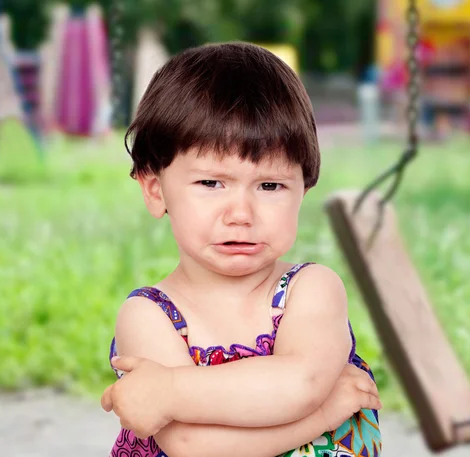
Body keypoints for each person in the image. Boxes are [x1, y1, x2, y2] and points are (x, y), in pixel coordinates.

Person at [100, 41, 383, 457]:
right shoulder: (147, 316)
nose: (241, 214)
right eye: (211, 183)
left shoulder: (312, 290)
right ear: (156, 190)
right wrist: (327, 414)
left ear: (303, 189)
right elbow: (190, 445)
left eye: (270, 186)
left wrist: (170, 392)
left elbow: (300, 383)